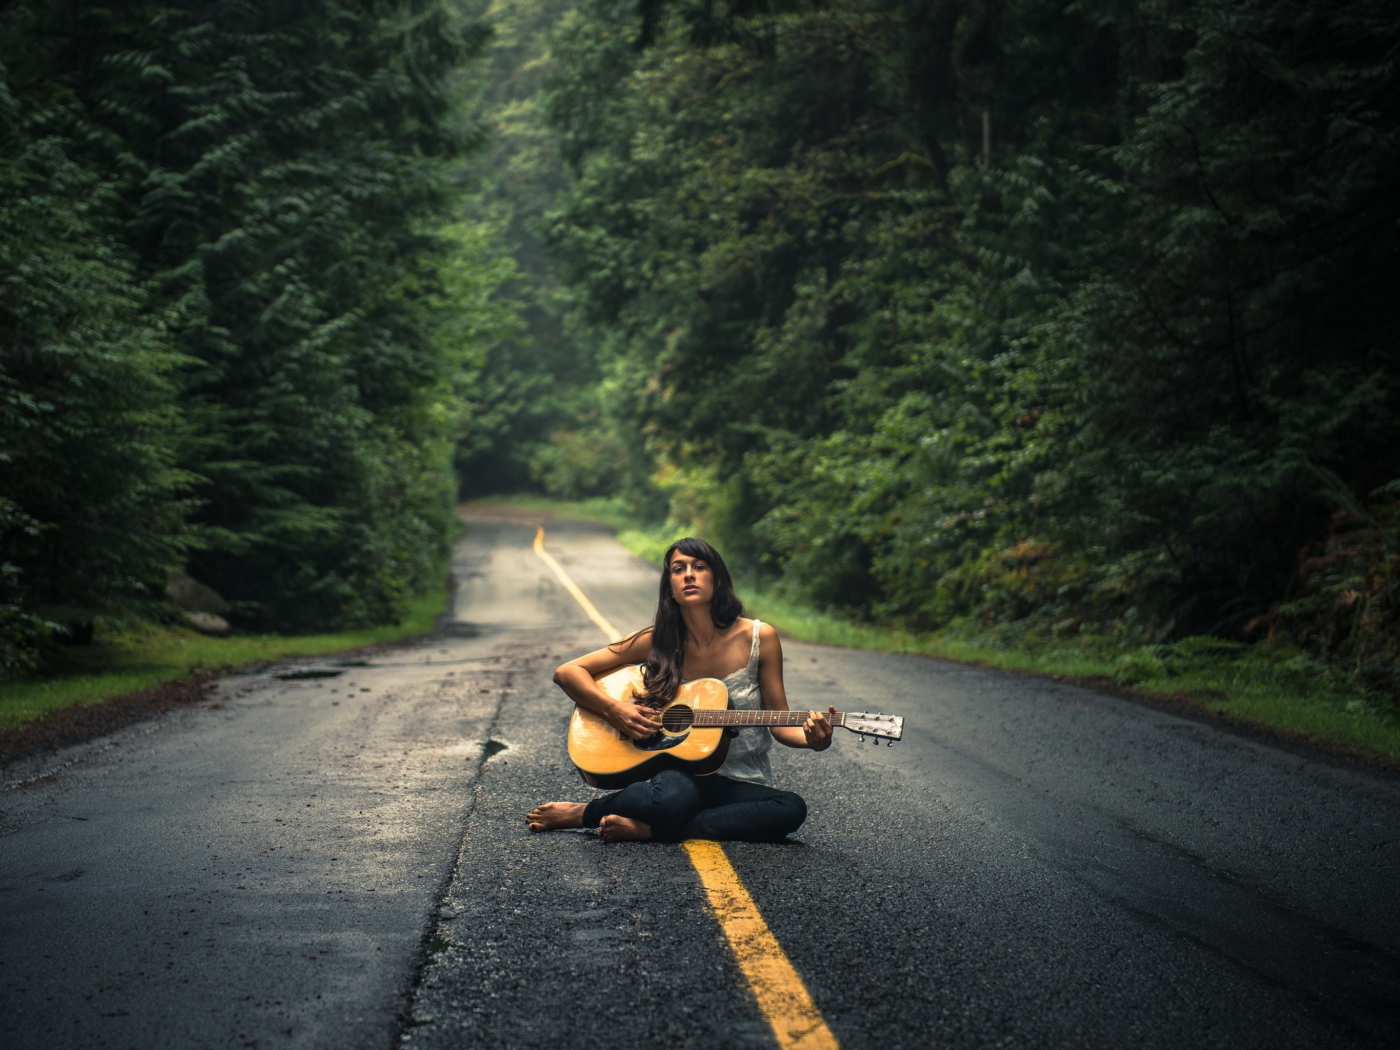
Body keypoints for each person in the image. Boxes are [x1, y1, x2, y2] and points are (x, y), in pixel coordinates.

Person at [526, 537, 835, 842]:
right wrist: (615, 709)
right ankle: (586, 813)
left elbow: (780, 723)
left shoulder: (759, 637)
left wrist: (813, 741)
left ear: (717, 578)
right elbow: (567, 672)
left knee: (790, 808)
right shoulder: (656, 639)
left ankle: (654, 831)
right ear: (670, 587)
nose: (689, 574)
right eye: (678, 569)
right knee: (669, 798)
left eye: (699, 566)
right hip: (681, 777)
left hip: (741, 780)